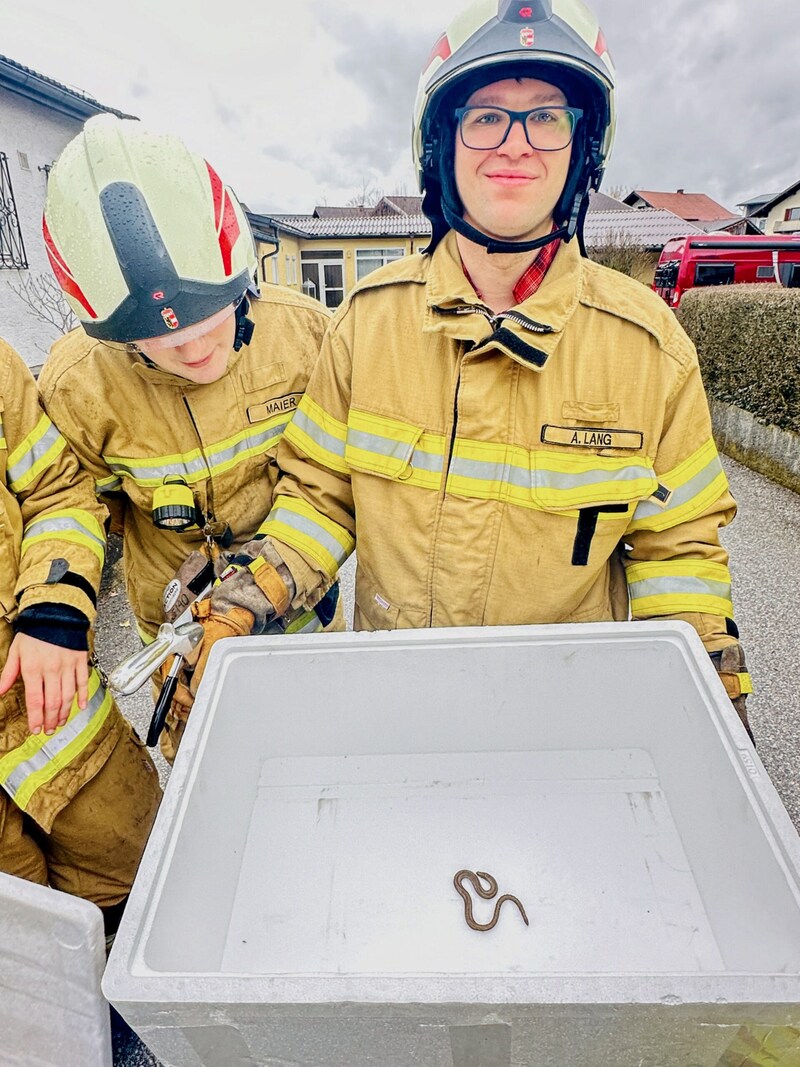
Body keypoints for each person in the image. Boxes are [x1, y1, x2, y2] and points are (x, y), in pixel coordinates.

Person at [206, 0, 752, 729]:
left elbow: (678, 554)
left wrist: (709, 704)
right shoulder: (368, 322)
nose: (516, 144)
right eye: (486, 115)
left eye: (548, 116)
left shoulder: (650, 351)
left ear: (583, 149)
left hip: (566, 724)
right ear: (441, 145)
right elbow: (319, 497)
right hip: (397, 708)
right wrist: (254, 593)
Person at [39, 115, 341, 762]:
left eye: (213, 317)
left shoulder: (311, 338)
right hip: (184, 650)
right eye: (169, 342)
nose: (199, 348)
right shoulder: (77, 388)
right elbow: (67, 510)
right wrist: (58, 605)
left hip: (306, 622)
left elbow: (341, 486)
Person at [0, 339, 161, 932]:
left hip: (55, 712)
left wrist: (54, 608)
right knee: (27, 954)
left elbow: (57, 494)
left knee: (142, 873)